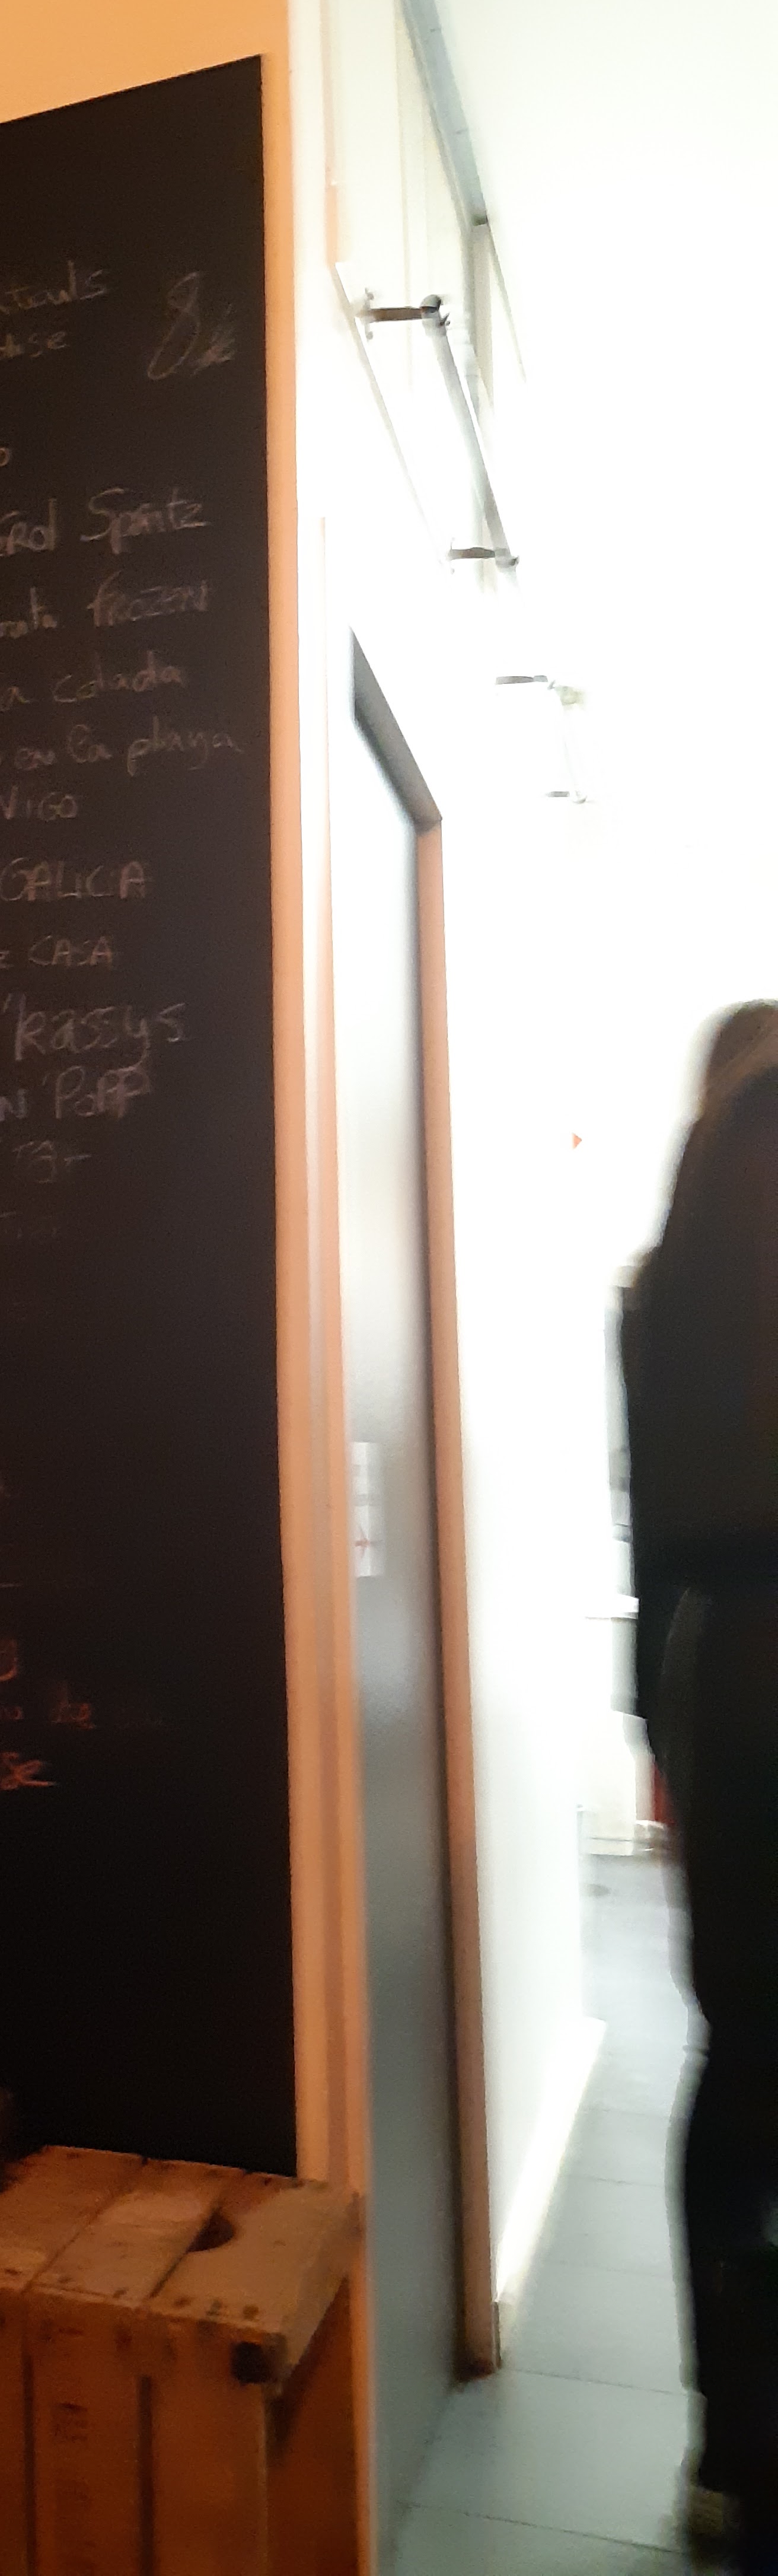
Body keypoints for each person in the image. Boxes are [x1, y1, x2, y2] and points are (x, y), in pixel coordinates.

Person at [626, 1000, 778, 2562]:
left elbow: (651, 1541)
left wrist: (657, 1742)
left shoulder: (660, 1286)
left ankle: (731, 2448)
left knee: (737, 2061)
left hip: (720, 1674)